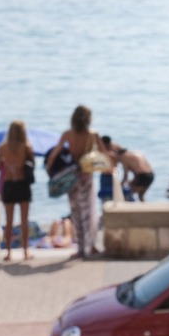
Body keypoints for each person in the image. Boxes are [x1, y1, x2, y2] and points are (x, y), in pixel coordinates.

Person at [46, 105, 104, 259]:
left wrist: (51, 173)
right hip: (87, 176)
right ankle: (91, 246)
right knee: (90, 211)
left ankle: (80, 248)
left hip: (71, 177)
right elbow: (102, 155)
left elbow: (53, 156)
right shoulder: (93, 135)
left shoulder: (67, 134)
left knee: (76, 212)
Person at [0, 120, 35, 261]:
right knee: (24, 220)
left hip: (9, 184)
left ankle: (8, 252)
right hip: (22, 184)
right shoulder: (26, 147)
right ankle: (25, 252)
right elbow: (31, 165)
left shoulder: (2, 147)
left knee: (8, 221)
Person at [102, 136, 155, 202]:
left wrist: (120, 185)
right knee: (141, 196)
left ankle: (131, 210)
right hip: (151, 175)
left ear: (119, 155)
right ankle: (147, 210)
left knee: (129, 194)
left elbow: (125, 175)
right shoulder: (136, 152)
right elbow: (141, 169)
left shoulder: (124, 158)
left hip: (142, 176)